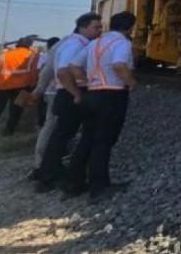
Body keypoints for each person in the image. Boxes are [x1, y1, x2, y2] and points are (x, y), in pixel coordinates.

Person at [66, 12, 137, 202]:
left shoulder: (94, 43)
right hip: (112, 96)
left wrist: (85, 81)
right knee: (103, 142)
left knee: (87, 139)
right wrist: (130, 82)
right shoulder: (122, 43)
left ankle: (74, 184)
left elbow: (73, 65)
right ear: (129, 27)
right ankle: (99, 188)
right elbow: (119, 64)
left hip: (92, 94)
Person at [35, 13, 103, 191]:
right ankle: (48, 176)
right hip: (69, 94)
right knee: (62, 134)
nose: (100, 31)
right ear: (82, 27)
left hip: (66, 93)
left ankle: (49, 172)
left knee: (62, 134)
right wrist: (77, 94)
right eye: (96, 27)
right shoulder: (75, 45)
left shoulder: (73, 43)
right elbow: (63, 72)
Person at [18, 36, 60, 178]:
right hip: (51, 90)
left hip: (40, 89)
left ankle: (41, 163)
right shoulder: (37, 55)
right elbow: (43, 72)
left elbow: (40, 72)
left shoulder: (45, 55)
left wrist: (37, 90)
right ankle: (42, 165)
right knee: (50, 125)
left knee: (46, 124)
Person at [0, 36, 39, 136]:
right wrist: (33, 85)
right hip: (22, 86)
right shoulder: (33, 56)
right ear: (29, 45)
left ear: (17, 45)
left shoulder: (3, 55)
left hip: (2, 85)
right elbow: (34, 72)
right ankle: (9, 131)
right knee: (16, 110)